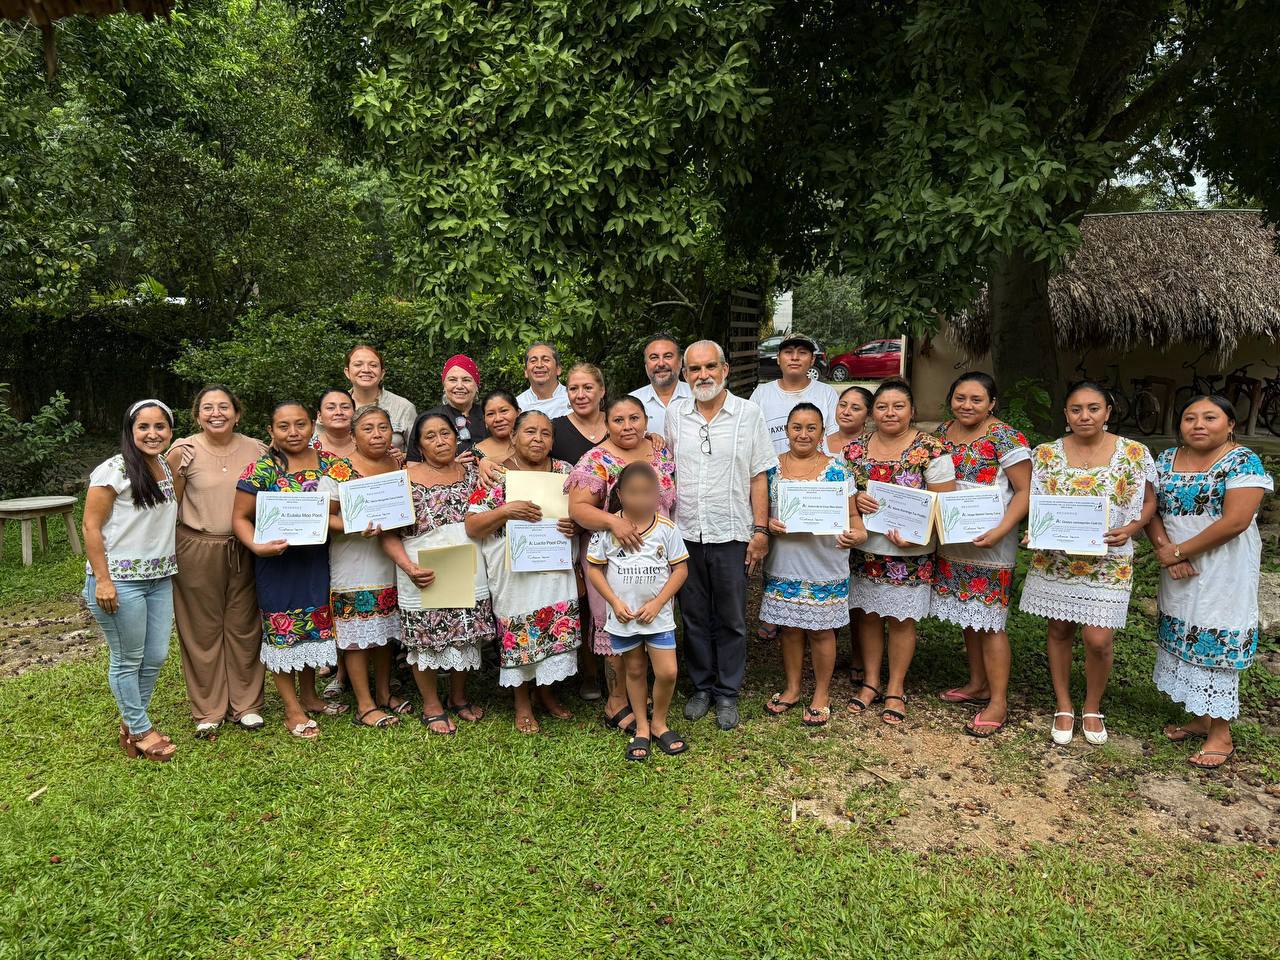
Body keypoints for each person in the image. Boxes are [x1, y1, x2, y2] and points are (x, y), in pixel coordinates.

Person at [1019, 381, 1156, 747]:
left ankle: (1092, 705)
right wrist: (1037, 532)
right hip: (1057, 560)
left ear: (1107, 412)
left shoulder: (1134, 452)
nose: (1085, 416)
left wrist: (1132, 528)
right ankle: (1064, 704)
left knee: (1098, 639)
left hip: (1109, 560)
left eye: (1093, 408)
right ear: (1066, 414)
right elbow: (1037, 502)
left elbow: (1148, 502)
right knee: (1059, 630)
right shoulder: (1045, 454)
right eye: (1076, 409)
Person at [1148, 396, 1273, 769]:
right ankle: (1202, 718)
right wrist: (1167, 551)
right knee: (1184, 631)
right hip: (1178, 566)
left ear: (1230, 424)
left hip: (1223, 568)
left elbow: (1236, 521)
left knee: (1215, 638)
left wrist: (1179, 551)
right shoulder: (1166, 459)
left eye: (1209, 417)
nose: (1198, 424)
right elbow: (1149, 509)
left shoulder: (1242, 462)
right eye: (1189, 418)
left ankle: (1221, 734)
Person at [664, 339, 777, 731]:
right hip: (685, 533)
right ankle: (701, 686)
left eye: (710, 366)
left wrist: (760, 530)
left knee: (731, 617)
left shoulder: (749, 414)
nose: (703, 375)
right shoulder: (675, 414)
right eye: (694, 369)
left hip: (732, 532)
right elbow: (665, 469)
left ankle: (727, 692)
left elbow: (759, 475)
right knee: (693, 615)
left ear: (725, 370)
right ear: (685, 375)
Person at [233, 401, 350, 740]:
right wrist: (256, 546)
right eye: (283, 426)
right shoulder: (262, 470)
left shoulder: (331, 464)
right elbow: (239, 518)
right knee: (283, 632)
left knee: (313, 627)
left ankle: (310, 696)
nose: (293, 432)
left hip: (318, 561)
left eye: (300, 424)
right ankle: (291, 708)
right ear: (271, 431)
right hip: (278, 563)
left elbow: (355, 501)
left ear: (312, 425)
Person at [845, 380, 956, 726]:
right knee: (868, 615)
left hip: (910, 552)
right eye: (882, 407)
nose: (889, 413)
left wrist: (920, 534)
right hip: (866, 549)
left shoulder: (931, 449)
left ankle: (895, 687)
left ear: (912, 411)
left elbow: (944, 503)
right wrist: (856, 499)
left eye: (898, 406)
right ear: (872, 412)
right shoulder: (855, 449)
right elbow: (841, 492)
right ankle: (871, 682)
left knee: (902, 620)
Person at [567, 394, 678, 731]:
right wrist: (614, 523)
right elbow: (578, 509)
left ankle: (639, 693)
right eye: (618, 420)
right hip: (613, 559)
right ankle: (616, 701)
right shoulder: (596, 458)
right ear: (606, 424)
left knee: (651, 621)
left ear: (646, 420)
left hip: (656, 556)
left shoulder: (660, 452)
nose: (627, 426)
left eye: (634, 418)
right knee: (619, 623)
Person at [465, 410, 580, 733]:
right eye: (530, 431)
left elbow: (581, 513)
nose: (538, 439)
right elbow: (473, 526)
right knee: (520, 629)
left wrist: (576, 526)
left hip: (554, 567)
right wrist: (505, 511)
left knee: (553, 625)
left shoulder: (565, 472)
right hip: (512, 572)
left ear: (552, 441)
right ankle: (522, 701)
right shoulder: (497, 474)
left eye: (545, 433)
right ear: (513, 436)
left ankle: (546, 691)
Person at [382, 412, 494, 735]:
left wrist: (484, 460)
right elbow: (387, 534)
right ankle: (431, 704)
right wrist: (409, 568)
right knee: (424, 639)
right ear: (418, 445)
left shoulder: (474, 473)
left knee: (466, 632)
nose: (440, 441)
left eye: (445, 433)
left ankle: (458, 697)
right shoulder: (402, 477)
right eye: (430, 436)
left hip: (467, 565)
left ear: (456, 438)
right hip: (422, 568)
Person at [931, 373, 1030, 737]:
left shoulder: (1006, 437)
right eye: (960, 398)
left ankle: (998, 701)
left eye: (976, 399)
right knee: (969, 615)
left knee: (990, 621)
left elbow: (1024, 491)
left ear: (992, 403)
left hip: (991, 541)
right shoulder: (942, 432)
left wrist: (1001, 531)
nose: (967, 405)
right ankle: (977, 684)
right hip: (953, 537)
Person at [167, 385, 267, 738]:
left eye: (224, 407)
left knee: (245, 625)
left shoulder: (258, 449)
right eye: (208, 408)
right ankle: (209, 708)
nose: (216, 413)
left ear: (237, 414)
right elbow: (170, 506)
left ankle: (247, 704)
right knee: (201, 629)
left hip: (246, 546)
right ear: (197, 416)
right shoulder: (183, 452)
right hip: (197, 546)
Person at [83, 400, 180, 762]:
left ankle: (131, 723)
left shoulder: (165, 467)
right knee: (128, 658)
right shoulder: (114, 470)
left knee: (155, 656)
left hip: (159, 578)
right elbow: (90, 526)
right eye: (144, 427)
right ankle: (140, 730)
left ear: (170, 431)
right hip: (120, 582)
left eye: (160, 427)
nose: (153, 434)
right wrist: (103, 581)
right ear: (130, 430)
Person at [762, 404, 867, 727]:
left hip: (825, 563)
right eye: (797, 427)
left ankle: (822, 693)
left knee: (821, 631)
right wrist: (768, 524)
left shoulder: (838, 471)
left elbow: (854, 519)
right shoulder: (771, 469)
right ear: (786, 431)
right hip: (784, 562)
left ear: (822, 432)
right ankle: (792, 688)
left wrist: (858, 534)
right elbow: (760, 513)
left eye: (811, 428)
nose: (803, 434)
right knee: (790, 629)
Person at [586, 463, 690, 761]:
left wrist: (658, 603)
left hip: (658, 617)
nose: (640, 499)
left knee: (667, 671)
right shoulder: (608, 530)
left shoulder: (667, 529)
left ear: (657, 495)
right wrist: (614, 603)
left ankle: (659, 722)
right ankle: (642, 726)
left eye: (647, 493)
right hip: (625, 618)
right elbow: (594, 570)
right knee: (634, 670)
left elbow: (680, 570)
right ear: (620, 494)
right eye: (633, 493)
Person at [320, 405, 409, 729]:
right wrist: (352, 525)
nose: (377, 434)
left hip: (389, 560)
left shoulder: (397, 465)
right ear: (353, 434)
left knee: (384, 630)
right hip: (353, 562)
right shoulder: (339, 470)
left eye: (383, 427)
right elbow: (323, 516)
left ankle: (384, 693)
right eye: (368, 428)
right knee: (356, 634)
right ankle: (364, 703)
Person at [825, 384, 874, 684]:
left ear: (867, 415)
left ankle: (858, 655)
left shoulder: (871, 446)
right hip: (825, 533)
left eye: (856, 408)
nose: (846, 411)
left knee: (857, 597)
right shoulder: (820, 440)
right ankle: (824, 654)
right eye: (843, 404)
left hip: (860, 528)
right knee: (828, 593)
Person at [749, 333, 838, 454]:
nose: (795, 357)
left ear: (812, 359)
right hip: (771, 465)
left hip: (817, 465)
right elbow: (749, 437)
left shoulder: (826, 393)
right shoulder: (761, 394)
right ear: (778, 358)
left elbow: (834, 436)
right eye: (788, 352)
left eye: (802, 352)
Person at [343, 344, 418, 452]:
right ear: (347, 372)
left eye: (373, 365)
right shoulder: (334, 407)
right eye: (358, 364)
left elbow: (418, 454)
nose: (366, 370)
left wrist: (401, 457)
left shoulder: (403, 407)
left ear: (382, 373)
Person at [630, 332, 691, 437]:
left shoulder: (696, 396)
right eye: (654, 357)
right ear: (646, 365)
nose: (661, 363)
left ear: (680, 362)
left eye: (668, 356)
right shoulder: (632, 401)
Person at [428, 354, 487, 461]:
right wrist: (452, 466)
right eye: (453, 380)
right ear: (444, 385)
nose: (459, 386)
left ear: (477, 386)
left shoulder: (489, 415)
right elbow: (414, 465)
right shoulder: (428, 419)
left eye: (466, 380)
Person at [550, 362, 608, 465]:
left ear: (602, 391)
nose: (580, 395)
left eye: (588, 388)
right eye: (573, 389)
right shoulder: (554, 429)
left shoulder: (620, 424)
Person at [516, 341, 571, 418]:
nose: (539, 365)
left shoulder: (573, 398)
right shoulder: (517, 405)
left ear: (558, 369)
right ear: (525, 372)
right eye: (533, 361)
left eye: (546, 360)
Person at [474, 389, 519, 464]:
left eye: (504, 411)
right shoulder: (476, 453)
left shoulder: (533, 444)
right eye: (490, 414)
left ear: (518, 412)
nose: (498, 419)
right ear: (484, 419)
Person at [826, 385, 874, 455]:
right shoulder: (820, 443)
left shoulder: (875, 445)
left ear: (869, 414)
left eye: (855, 408)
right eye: (842, 405)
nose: (846, 412)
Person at [312, 388, 357, 459]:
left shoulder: (370, 444)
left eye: (345, 407)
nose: (339, 412)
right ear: (319, 416)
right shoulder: (306, 448)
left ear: (355, 413)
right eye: (331, 408)